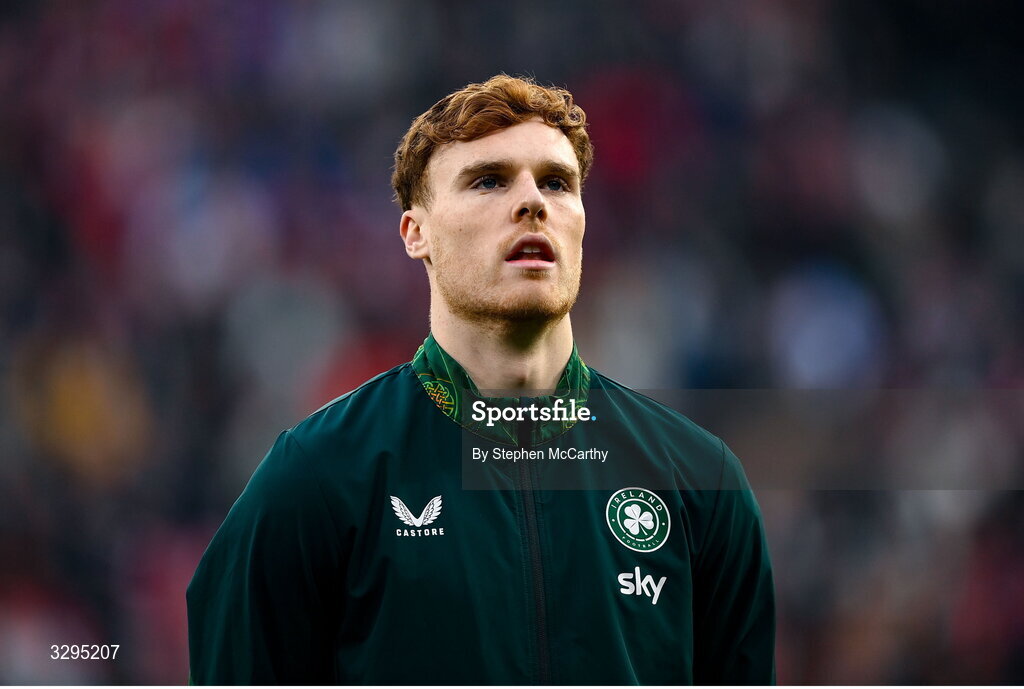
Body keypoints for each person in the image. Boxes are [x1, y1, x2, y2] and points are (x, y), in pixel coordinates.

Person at [186, 74, 775, 685]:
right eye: (489, 180)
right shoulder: (317, 475)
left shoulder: (701, 481)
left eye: (556, 182)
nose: (532, 202)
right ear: (417, 233)